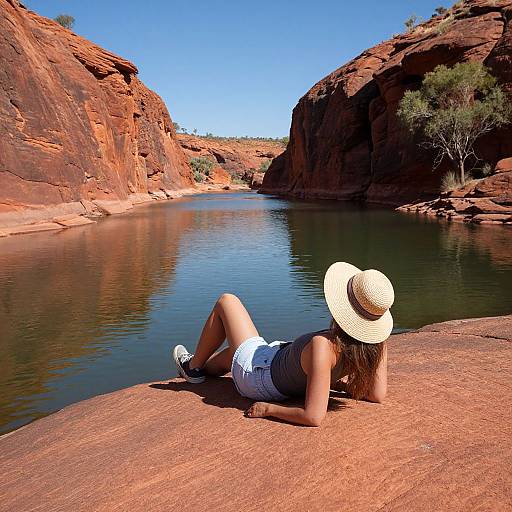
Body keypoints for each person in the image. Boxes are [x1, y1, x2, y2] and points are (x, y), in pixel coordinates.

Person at [172, 262, 394, 427]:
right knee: (232, 355)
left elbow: (313, 417)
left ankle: (193, 368)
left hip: (258, 376)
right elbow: (376, 395)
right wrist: (342, 386)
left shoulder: (323, 346)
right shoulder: (376, 344)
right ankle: (203, 368)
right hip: (269, 364)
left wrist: (268, 410)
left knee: (227, 301)